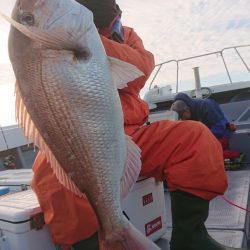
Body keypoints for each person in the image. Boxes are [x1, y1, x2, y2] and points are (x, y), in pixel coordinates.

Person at [31, 1, 240, 250]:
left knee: (195, 137)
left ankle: (190, 237)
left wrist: (84, 40)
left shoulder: (125, 34)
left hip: (130, 131)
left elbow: (141, 68)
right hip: (79, 132)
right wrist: (72, 38)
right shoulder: (50, 35)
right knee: (49, 173)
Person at [171, 92, 244, 168]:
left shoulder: (207, 105)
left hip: (221, 135)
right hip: (203, 137)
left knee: (202, 153)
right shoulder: (188, 113)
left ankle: (236, 156)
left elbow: (220, 128)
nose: (182, 120)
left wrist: (198, 139)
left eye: (182, 116)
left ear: (187, 110)